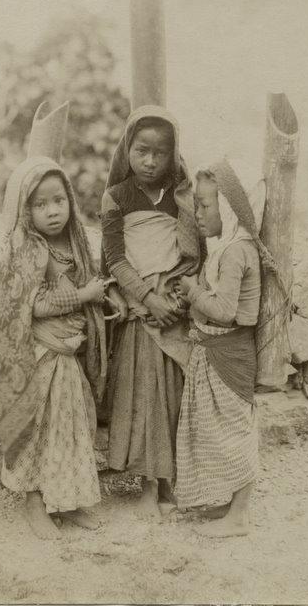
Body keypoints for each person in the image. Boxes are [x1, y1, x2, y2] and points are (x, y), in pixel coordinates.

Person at [0, 155, 108, 540]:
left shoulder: (74, 242)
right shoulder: (29, 249)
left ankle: (68, 500)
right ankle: (35, 503)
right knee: (38, 429)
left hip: (68, 356)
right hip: (39, 357)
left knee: (69, 428)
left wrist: (103, 298)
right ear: (26, 210)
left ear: (70, 200)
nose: (52, 211)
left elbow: (90, 286)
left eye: (58, 200)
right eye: (40, 205)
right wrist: (83, 296)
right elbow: (32, 304)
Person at [100, 105, 201, 518]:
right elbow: (114, 259)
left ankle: (169, 482)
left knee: (173, 398)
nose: (149, 160)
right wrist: (147, 300)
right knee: (141, 398)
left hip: (172, 314)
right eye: (141, 150)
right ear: (127, 150)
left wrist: (174, 300)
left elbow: (192, 256)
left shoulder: (182, 201)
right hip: (140, 315)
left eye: (160, 153)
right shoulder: (116, 197)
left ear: (173, 155)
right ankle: (145, 484)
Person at [175, 158, 275, 537]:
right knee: (216, 430)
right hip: (214, 351)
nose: (197, 214)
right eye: (196, 205)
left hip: (229, 352)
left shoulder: (235, 253)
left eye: (204, 206)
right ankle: (224, 502)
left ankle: (240, 514)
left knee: (234, 430)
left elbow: (224, 310)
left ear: (229, 209)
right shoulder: (224, 249)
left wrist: (192, 292)